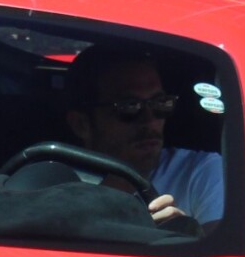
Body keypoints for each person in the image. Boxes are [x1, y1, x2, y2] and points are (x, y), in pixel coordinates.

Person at [61, 46, 223, 227]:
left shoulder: (199, 171)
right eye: (129, 106)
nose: (150, 120)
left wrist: (181, 236)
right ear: (81, 125)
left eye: (160, 103)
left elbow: (222, 252)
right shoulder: (54, 187)